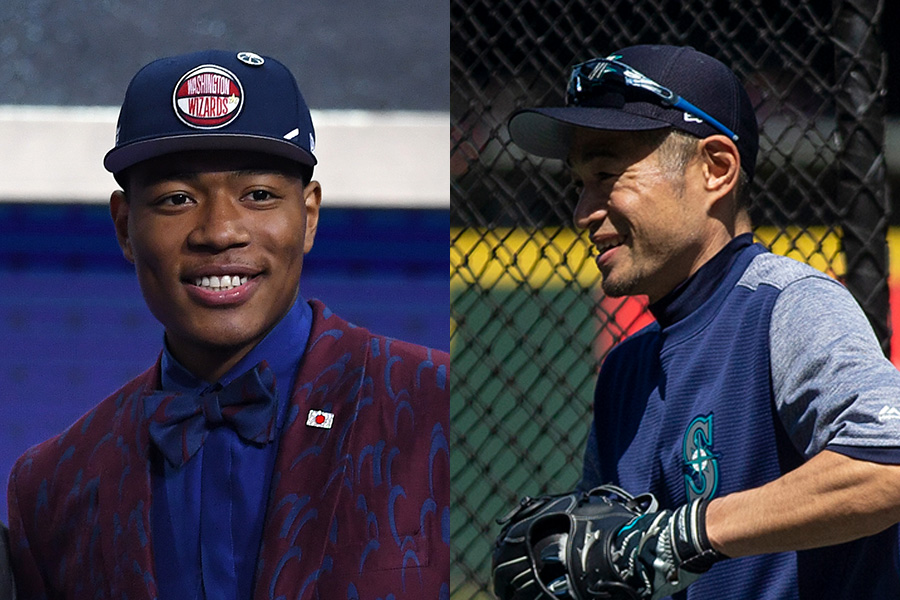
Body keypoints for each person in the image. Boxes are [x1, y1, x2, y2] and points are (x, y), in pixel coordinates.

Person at [6, 50, 449, 600]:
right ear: (125, 227)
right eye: (177, 199)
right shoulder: (52, 487)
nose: (218, 232)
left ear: (308, 216)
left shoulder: (438, 406)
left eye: (258, 195)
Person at [503, 44, 900, 599]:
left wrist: (689, 532)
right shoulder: (626, 370)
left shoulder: (787, 303)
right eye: (579, 184)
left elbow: (887, 464)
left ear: (716, 169)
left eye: (607, 173)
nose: (583, 211)